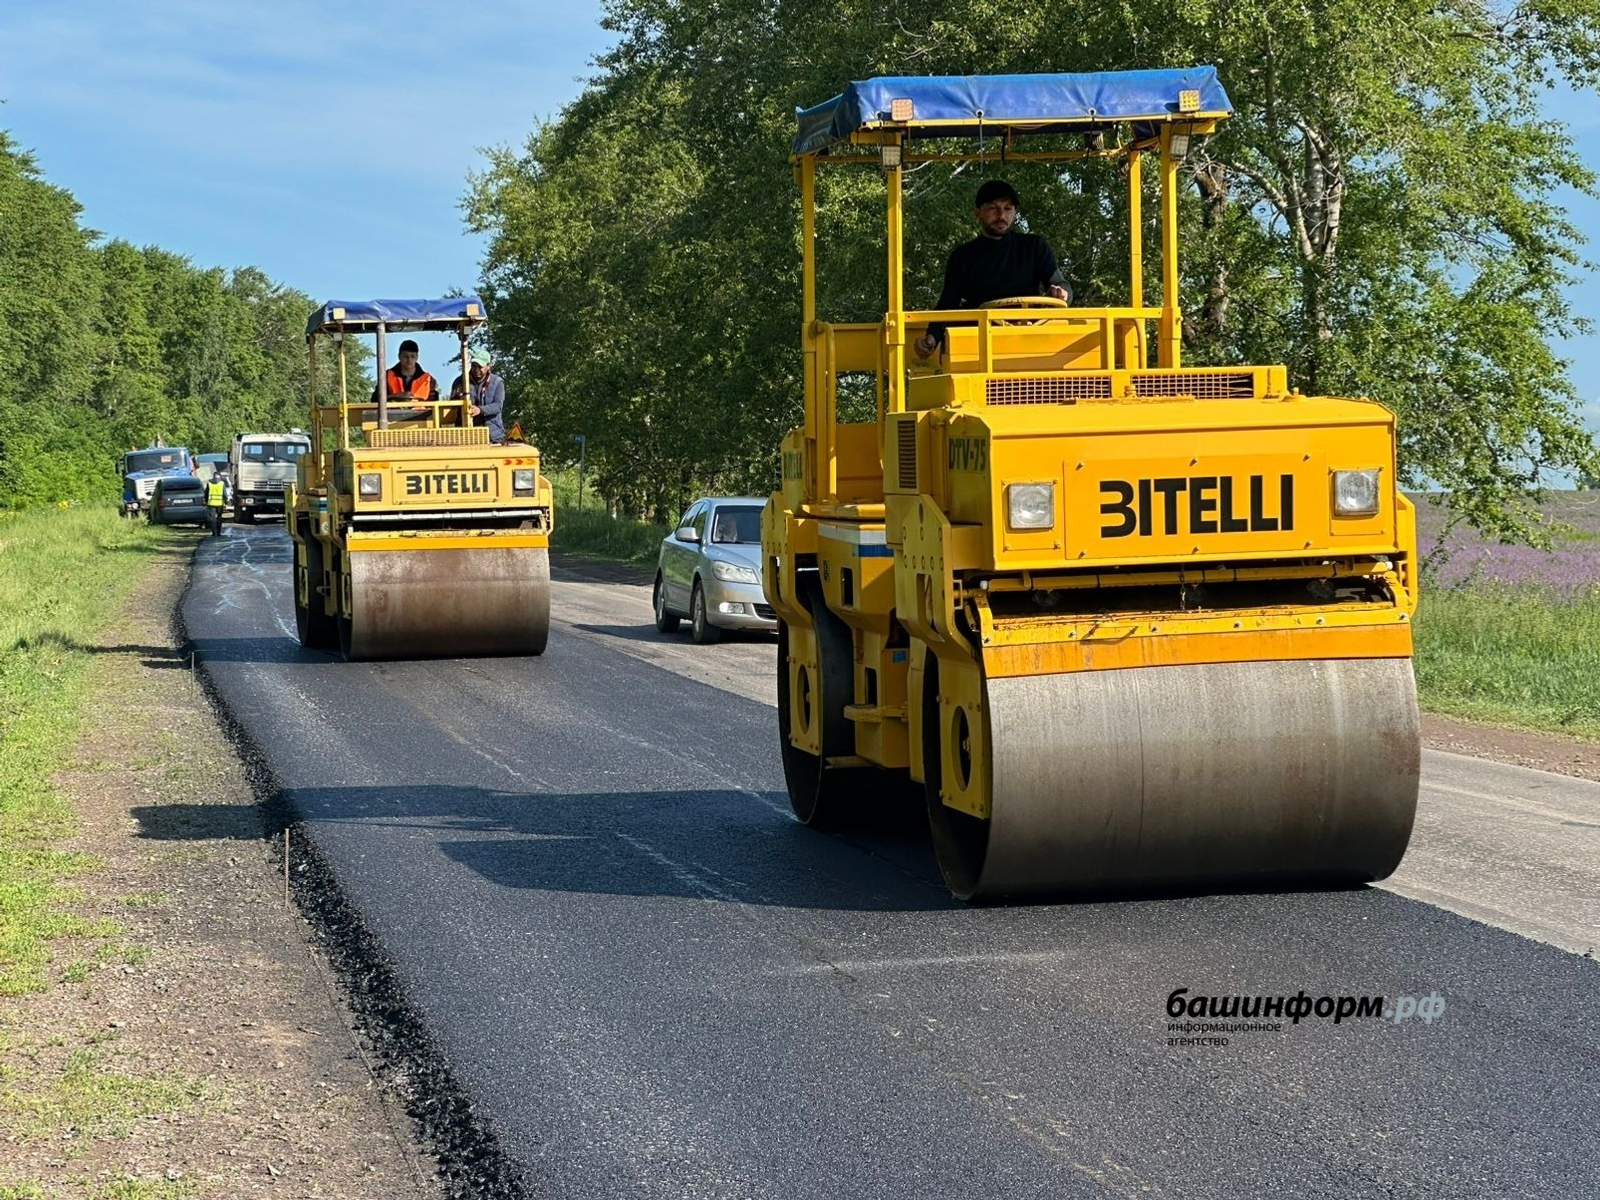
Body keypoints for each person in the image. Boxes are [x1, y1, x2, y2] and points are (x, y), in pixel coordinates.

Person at [913, 180, 1070, 358]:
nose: (1001, 215)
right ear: (977, 213)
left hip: (1032, 341)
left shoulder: (1034, 246)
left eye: (1008, 208)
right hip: (980, 346)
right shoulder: (963, 256)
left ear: (1015, 213)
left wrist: (1061, 292)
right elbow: (948, 304)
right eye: (993, 208)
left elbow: (1060, 284)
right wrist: (932, 337)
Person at [371, 339, 438, 403]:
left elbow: (434, 402)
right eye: (405, 356)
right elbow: (375, 399)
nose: (409, 360)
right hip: (393, 414)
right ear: (399, 356)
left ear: (417, 357)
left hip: (422, 414)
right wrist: (396, 396)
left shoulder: (428, 379)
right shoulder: (387, 376)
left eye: (412, 356)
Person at [467, 349, 506, 444]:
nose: (476, 370)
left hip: (493, 437)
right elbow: (453, 406)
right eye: (474, 366)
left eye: (480, 366)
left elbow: (498, 406)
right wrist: (458, 396)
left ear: (489, 366)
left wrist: (480, 410)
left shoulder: (497, 382)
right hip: (468, 437)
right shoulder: (461, 382)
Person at [205, 468, 227, 537]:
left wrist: (206, 501)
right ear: (220, 477)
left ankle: (214, 533)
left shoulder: (209, 483)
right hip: (220, 504)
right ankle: (219, 532)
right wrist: (225, 502)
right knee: (219, 518)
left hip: (211, 503)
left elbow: (206, 493)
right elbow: (225, 494)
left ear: (213, 476)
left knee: (213, 519)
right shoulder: (222, 483)